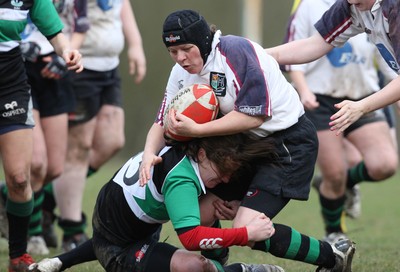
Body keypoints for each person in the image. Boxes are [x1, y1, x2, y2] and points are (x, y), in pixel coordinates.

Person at [139, 9, 356, 271]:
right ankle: (217, 265)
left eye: (186, 48)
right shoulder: (180, 72)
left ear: (203, 42)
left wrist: (196, 130)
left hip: (287, 144)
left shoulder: (235, 52)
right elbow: (162, 121)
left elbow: (255, 117)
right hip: (245, 146)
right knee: (202, 214)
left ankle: (332, 257)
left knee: (245, 227)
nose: (181, 58)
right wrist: (149, 152)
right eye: (173, 52)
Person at [28, 134, 285, 272]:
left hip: (119, 220)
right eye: (221, 171)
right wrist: (245, 233)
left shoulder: (182, 140)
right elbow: (190, 238)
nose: (226, 179)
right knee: (195, 266)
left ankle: (60, 261)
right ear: (204, 154)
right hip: (122, 250)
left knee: (214, 201)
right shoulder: (181, 181)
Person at [283, 0, 398, 243]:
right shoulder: (337, 7)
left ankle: (343, 184)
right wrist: (258, 55)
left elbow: (386, 54)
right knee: (335, 174)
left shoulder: (391, 9)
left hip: (361, 96)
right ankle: (335, 234)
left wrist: (383, 94)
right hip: (322, 99)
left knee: (385, 164)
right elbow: (309, 46)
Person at [46, 0, 146, 252]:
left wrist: (135, 45)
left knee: (112, 141)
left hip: (108, 66)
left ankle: (42, 196)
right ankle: (72, 230)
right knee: (78, 149)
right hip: (81, 65)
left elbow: (122, 5)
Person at [0, 1, 83, 270]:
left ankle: (17, 257)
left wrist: (68, 51)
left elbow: (56, 34)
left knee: (20, 178)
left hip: (10, 81)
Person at [265, 0, 400, 134]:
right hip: (323, 97)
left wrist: (362, 106)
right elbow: (315, 44)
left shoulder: (394, 8)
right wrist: (258, 54)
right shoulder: (351, 7)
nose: (350, 1)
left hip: (364, 93)